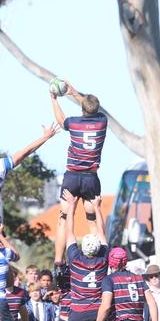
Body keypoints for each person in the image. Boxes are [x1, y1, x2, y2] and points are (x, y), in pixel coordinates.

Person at [50, 82, 107, 265]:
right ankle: (98, 260)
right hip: (91, 178)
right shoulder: (102, 122)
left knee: (64, 219)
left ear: (82, 108)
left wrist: (54, 100)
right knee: (92, 220)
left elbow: (61, 121)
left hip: (73, 176)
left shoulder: (74, 123)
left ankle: (59, 263)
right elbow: (89, 106)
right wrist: (74, 93)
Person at [62, 190, 108, 321]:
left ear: (82, 248)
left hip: (78, 311)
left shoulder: (75, 259)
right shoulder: (103, 261)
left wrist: (72, 207)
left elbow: (69, 231)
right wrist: (97, 208)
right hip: (97, 311)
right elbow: (102, 232)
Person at [91, 248, 160, 321]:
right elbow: (152, 302)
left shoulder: (109, 280)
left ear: (110, 262)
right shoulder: (138, 278)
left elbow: (106, 306)